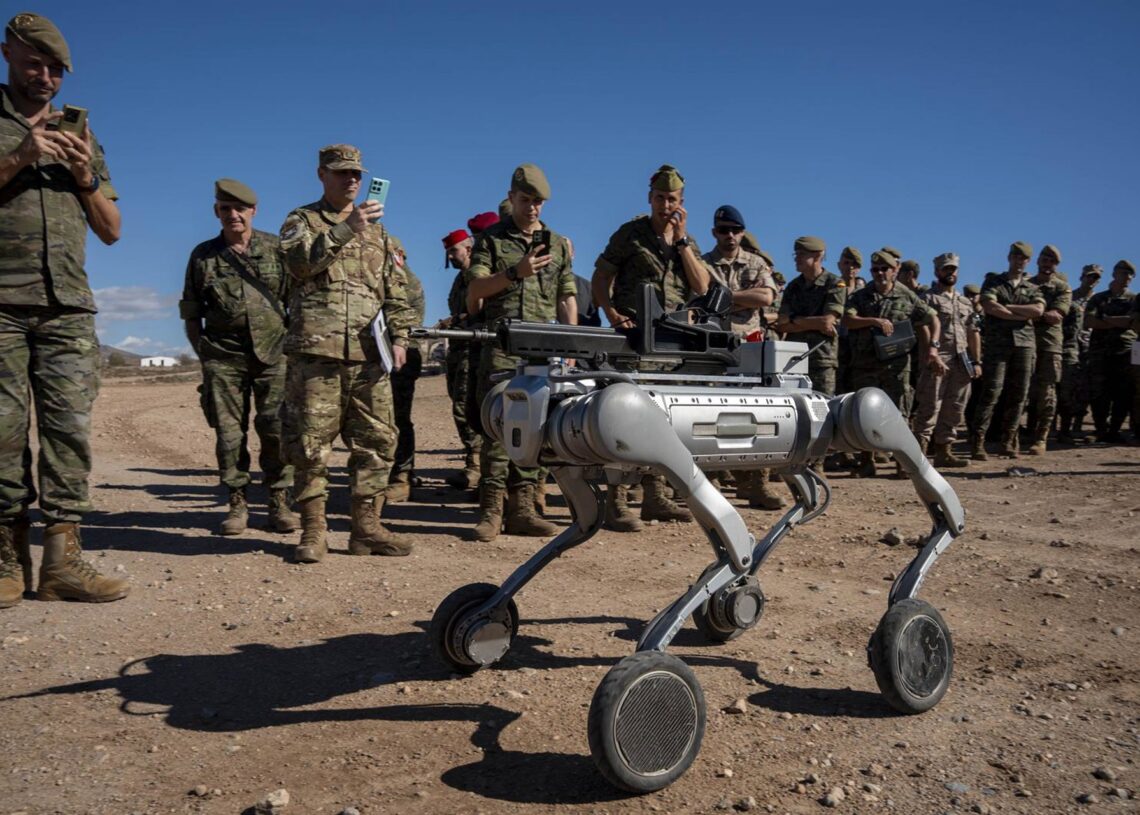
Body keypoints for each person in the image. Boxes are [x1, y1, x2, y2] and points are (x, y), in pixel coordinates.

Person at [0, 12, 128, 607]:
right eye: (35, 64)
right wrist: (21, 155)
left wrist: (83, 177)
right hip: (0, 303)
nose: (47, 77)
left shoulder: (83, 135)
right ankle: (5, 560)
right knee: (0, 433)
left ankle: (62, 563)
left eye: (56, 69)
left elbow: (112, 230)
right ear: (7, 53)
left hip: (68, 307)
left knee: (68, 433)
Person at [278, 144, 414, 563]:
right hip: (316, 352)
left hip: (369, 355)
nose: (351, 180)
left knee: (376, 440)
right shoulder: (301, 220)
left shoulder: (381, 232)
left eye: (356, 174)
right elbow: (297, 265)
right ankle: (314, 531)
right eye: (342, 173)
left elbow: (397, 287)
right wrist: (344, 229)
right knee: (310, 444)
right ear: (322, 175)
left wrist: (401, 337)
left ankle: (365, 529)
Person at [592, 164, 711, 528]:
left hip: (670, 342)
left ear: (681, 203)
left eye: (671, 199)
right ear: (650, 198)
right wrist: (611, 314)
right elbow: (600, 277)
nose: (664, 205)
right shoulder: (630, 234)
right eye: (659, 198)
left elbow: (702, 287)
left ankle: (655, 496)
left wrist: (682, 242)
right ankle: (616, 501)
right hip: (631, 340)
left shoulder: (685, 243)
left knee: (666, 419)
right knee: (621, 417)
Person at [466, 163, 577, 541]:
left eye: (539, 202)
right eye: (526, 200)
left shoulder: (558, 243)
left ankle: (524, 508)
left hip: (544, 350)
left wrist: (572, 343)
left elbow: (566, 294)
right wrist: (515, 272)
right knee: (497, 427)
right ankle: (491, 509)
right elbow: (475, 290)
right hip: (502, 346)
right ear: (511, 197)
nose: (532, 208)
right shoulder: (492, 241)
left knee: (538, 427)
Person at [180, 179, 296, 535]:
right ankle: (237, 503)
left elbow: (295, 300)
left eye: (240, 209)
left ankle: (278, 502)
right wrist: (204, 352)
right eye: (225, 209)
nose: (233, 215)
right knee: (229, 434)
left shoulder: (277, 249)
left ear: (253, 211)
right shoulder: (203, 255)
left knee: (275, 430)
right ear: (217, 212)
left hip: (274, 355)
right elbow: (191, 310)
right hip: (223, 358)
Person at [701, 204, 785, 510]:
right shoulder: (702, 263)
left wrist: (722, 297)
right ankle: (709, 483)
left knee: (755, 417)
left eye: (735, 230)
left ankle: (755, 484)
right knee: (711, 418)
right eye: (724, 230)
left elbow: (766, 297)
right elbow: (698, 297)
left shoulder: (756, 262)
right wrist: (742, 298)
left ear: (743, 233)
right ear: (714, 233)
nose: (730, 236)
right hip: (712, 350)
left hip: (749, 349)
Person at [842, 250, 940, 476]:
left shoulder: (906, 295)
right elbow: (848, 319)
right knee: (863, 414)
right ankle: (867, 461)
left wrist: (933, 347)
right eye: (875, 270)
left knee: (900, 414)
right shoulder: (860, 295)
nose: (879, 273)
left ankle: (903, 463)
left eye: (884, 269)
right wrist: (874, 321)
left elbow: (932, 318)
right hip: (865, 364)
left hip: (896, 365)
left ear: (895, 270)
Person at [970, 242, 1045, 459]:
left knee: (1019, 394)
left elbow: (1038, 310)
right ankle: (978, 442)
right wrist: (1021, 315)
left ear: (1028, 261)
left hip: (1024, 345)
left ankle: (1009, 441)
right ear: (1009, 257)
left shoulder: (1033, 288)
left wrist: (1007, 309)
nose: (1018, 261)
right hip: (997, 344)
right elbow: (989, 306)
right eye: (1015, 256)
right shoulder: (994, 281)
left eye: (1023, 258)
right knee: (992, 392)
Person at [913, 253, 981, 466]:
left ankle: (944, 451)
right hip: (937, 358)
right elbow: (922, 327)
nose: (950, 273)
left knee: (955, 407)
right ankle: (919, 455)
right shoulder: (928, 299)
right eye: (946, 269)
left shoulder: (964, 302)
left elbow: (973, 331)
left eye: (953, 269)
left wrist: (977, 361)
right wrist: (929, 356)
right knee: (930, 406)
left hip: (962, 360)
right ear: (936, 271)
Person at [773, 236, 846, 397]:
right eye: (796, 254)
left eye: (801, 254)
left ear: (818, 256)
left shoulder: (834, 284)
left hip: (821, 359)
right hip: (794, 359)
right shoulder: (793, 287)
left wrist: (793, 319)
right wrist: (813, 323)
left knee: (824, 406)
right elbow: (782, 324)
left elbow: (827, 321)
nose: (796, 259)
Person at [441, 228, 481, 490]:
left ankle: (476, 465)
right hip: (457, 350)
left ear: (468, 248)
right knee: (459, 405)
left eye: (454, 251)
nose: (451, 257)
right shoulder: (459, 280)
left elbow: (480, 310)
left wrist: (454, 320)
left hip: (472, 351)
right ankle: (473, 462)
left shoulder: (478, 275)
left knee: (466, 408)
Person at [386, 236, 423, 503]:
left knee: (398, 418)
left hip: (402, 356)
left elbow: (408, 322)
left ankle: (401, 476)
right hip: (375, 355)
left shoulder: (408, 283)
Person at [1083, 260, 1136, 443]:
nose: (1128, 277)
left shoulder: (1134, 299)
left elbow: (1132, 322)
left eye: (1131, 275)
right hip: (1100, 351)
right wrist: (1118, 321)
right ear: (1114, 274)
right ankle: (1100, 429)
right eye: (1124, 273)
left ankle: (1115, 430)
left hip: (1125, 351)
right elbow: (1089, 322)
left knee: (1122, 393)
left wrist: (1105, 318)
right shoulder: (1099, 298)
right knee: (1099, 393)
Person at [1025, 245, 1071, 454]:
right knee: (1021, 390)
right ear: (1038, 261)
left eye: (1051, 261)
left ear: (1056, 264)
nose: (1047, 264)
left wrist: (1030, 313)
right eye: (1044, 259)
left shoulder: (1062, 287)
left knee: (1047, 392)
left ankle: (1041, 437)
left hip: (1050, 345)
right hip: (1024, 342)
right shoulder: (1026, 285)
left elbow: (1057, 315)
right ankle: (1016, 435)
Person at [1056, 264, 1101, 442]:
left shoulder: (1097, 300)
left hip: (1089, 348)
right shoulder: (1070, 297)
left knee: (1084, 388)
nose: (1092, 280)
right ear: (1082, 276)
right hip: (1068, 345)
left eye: (1096, 278)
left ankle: (1077, 425)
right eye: (1090, 276)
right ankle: (1060, 426)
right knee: (1064, 387)